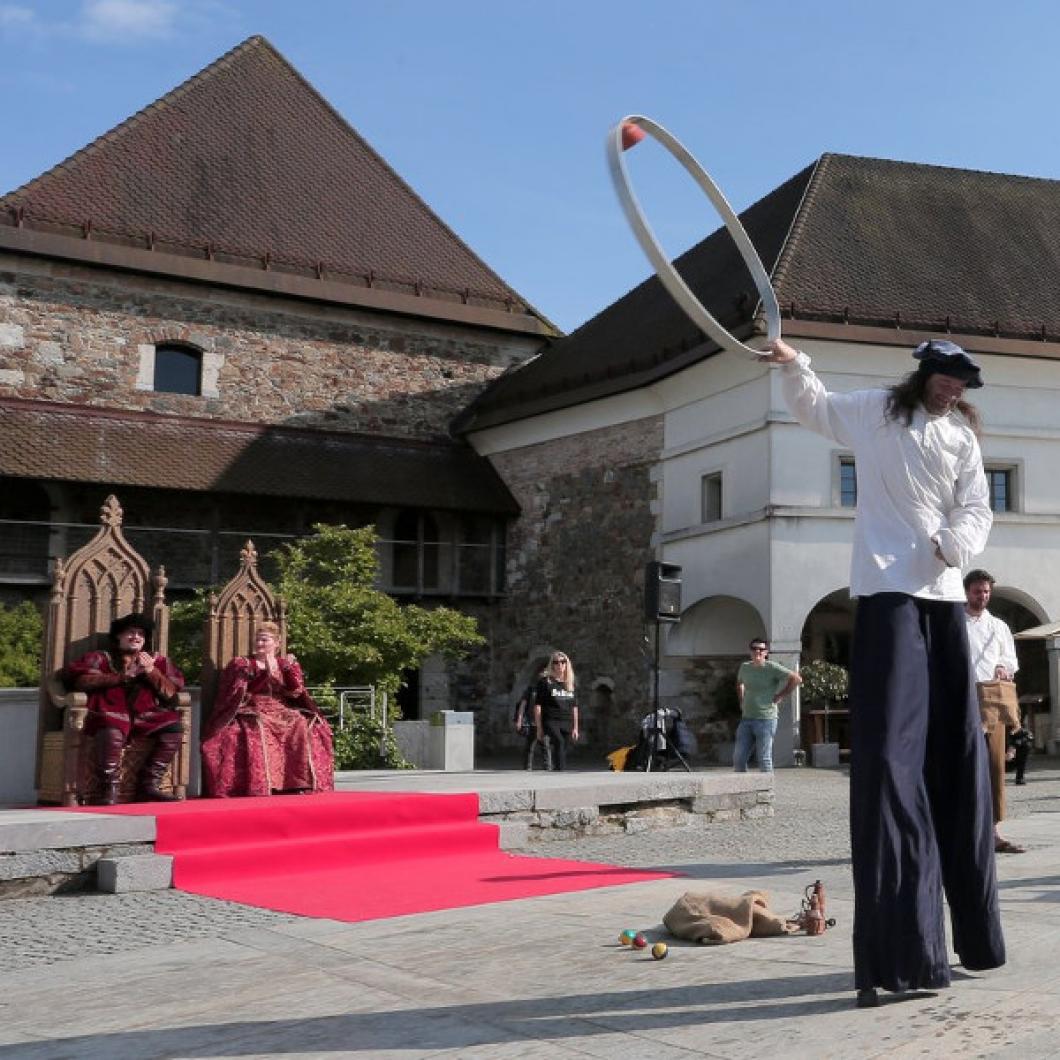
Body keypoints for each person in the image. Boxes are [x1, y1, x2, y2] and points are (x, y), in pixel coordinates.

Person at [763, 336, 1005, 1007]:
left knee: (957, 754)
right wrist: (794, 364)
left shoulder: (960, 439)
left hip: (943, 594)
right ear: (925, 375)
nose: (952, 390)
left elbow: (977, 506)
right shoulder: (874, 412)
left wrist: (955, 544)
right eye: (946, 379)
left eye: (961, 384)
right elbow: (814, 409)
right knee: (893, 762)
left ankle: (976, 939)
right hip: (887, 591)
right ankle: (904, 951)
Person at [201, 621, 335, 797]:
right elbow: (234, 691)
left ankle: (296, 782)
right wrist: (259, 672)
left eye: (264, 640)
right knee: (258, 727)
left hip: (280, 707)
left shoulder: (285, 663)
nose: (259, 644)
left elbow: (295, 692)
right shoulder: (243, 663)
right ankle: (263, 784)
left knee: (301, 723)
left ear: (276, 643)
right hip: (254, 707)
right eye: (257, 640)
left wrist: (288, 670)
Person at [64, 612, 185, 805]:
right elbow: (82, 682)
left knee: (174, 726)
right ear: (118, 636)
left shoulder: (156, 661)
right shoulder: (101, 658)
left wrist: (151, 672)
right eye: (131, 632)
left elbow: (171, 693)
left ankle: (148, 785)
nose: (136, 637)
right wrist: (122, 677)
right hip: (110, 711)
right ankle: (108, 787)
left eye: (140, 634)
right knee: (111, 725)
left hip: (145, 715)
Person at [964, 568, 1024, 854]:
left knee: (994, 767)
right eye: (978, 591)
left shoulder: (998, 626)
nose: (983, 596)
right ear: (967, 592)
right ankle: (961, 829)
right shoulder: (955, 624)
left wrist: (1004, 666)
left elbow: (1011, 659)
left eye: (986, 591)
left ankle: (993, 831)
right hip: (961, 700)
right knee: (962, 764)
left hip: (992, 701)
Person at [734, 638, 801, 773]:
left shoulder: (772, 668)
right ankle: (743, 790)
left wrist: (781, 695)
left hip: (766, 719)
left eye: (761, 649)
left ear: (766, 652)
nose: (757, 651)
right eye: (754, 648)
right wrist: (742, 699)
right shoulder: (745, 667)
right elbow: (739, 683)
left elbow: (796, 679)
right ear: (750, 651)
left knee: (764, 758)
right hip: (747, 718)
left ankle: (768, 792)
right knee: (738, 759)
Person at [534, 652, 578, 771]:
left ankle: (558, 769)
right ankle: (560, 772)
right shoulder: (545, 682)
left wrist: (575, 728)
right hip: (550, 719)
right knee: (559, 742)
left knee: (564, 747)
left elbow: (574, 707)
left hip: (566, 720)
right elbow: (538, 706)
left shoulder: (570, 683)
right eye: (556, 662)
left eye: (563, 662)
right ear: (552, 665)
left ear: (566, 664)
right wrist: (539, 728)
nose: (560, 665)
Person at [514, 667, 550, 771]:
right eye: (542, 677)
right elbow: (523, 705)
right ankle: (527, 766)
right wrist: (520, 720)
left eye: (546, 677)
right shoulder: (531, 689)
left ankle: (548, 767)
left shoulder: (549, 690)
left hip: (544, 722)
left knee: (545, 745)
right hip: (531, 722)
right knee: (530, 746)